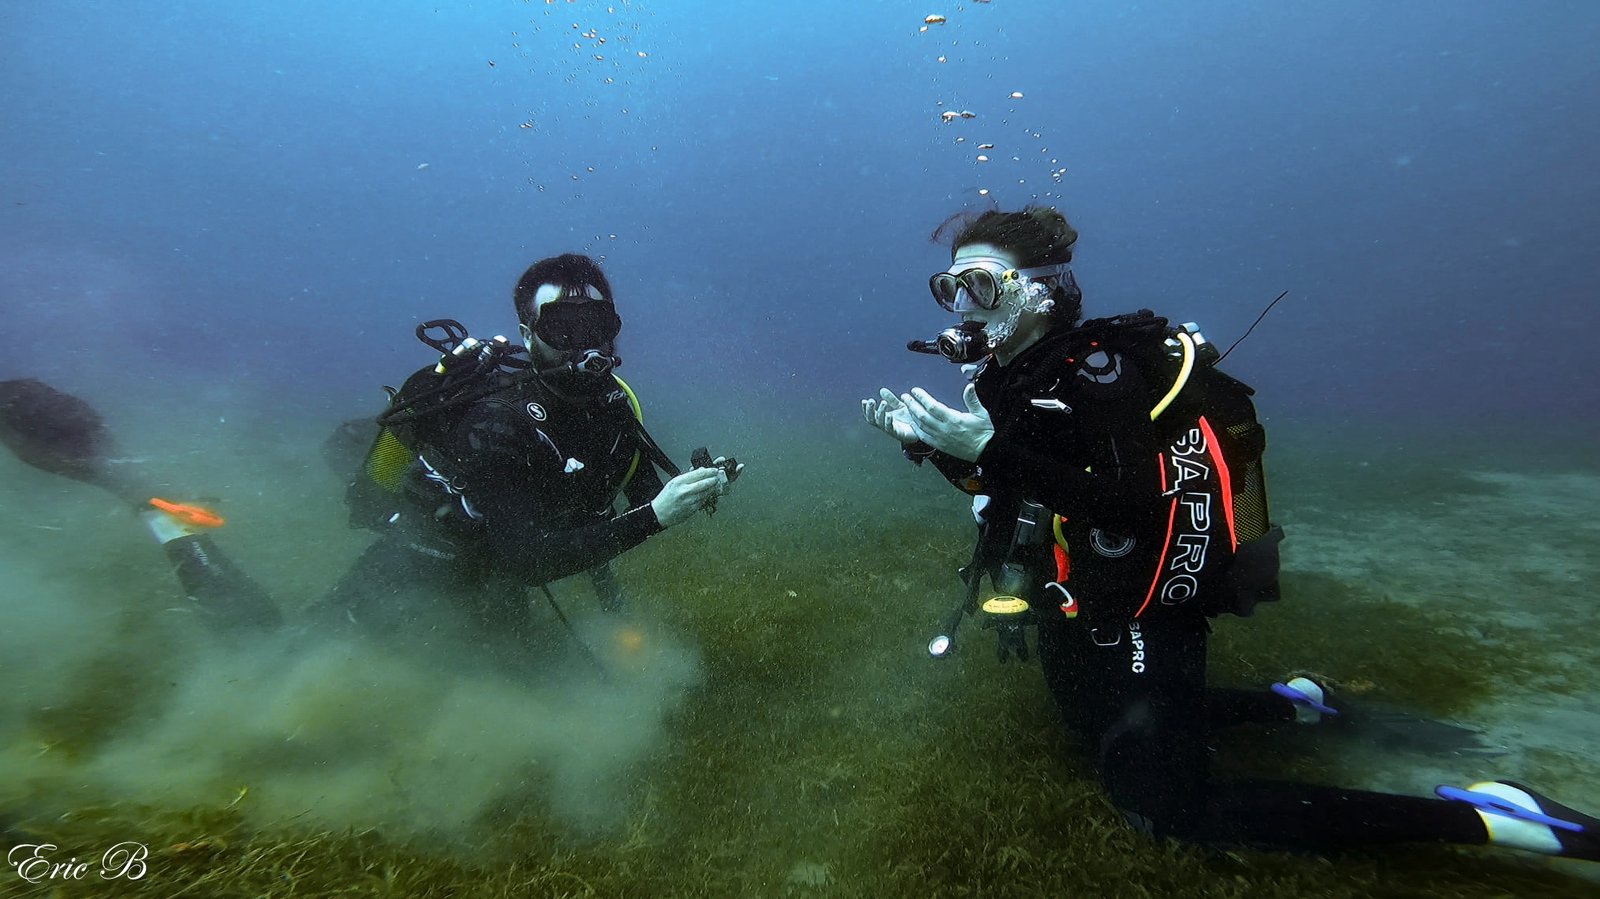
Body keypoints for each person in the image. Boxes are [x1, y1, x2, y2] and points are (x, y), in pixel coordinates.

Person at [861, 206, 1598, 862]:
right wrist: (932, 446)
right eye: (949, 287)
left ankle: (1496, 820)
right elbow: (1016, 488)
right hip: (1089, 587)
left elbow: (1128, 506)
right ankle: (1299, 704)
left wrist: (986, 450)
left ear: (1040, 290)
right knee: (1089, 721)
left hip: (1154, 594)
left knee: (1166, 807)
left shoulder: (1096, 374)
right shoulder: (1010, 377)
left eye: (981, 284)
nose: (961, 305)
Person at [302, 253, 739, 665]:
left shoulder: (614, 403)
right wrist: (657, 517)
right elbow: (528, 560)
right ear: (527, 335)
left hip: (502, 575)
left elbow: (642, 494)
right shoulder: (496, 422)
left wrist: (694, 487)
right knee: (314, 653)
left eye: (597, 324)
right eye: (563, 327)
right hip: (420, 569)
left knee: (524, 683)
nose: (584, 344)